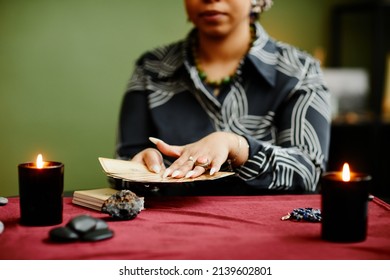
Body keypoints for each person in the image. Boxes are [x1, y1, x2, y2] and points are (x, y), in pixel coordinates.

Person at [114, 0, 331, 195]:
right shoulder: (151, 69)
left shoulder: (300, 70)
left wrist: (238, 147)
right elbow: (122, 167)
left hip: (269, 231)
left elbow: (309, 172)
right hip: (169, 230)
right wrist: (139, 167)